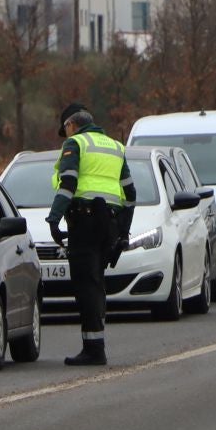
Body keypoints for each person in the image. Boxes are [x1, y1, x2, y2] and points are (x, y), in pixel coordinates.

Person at [45, 101, 136, 366]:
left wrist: (54, 218)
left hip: (84, 222)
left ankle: (94, 349)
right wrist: (123, 231)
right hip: (109, 223)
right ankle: (96, 345)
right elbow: (130, 194)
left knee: (86, 284)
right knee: (97, 284)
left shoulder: (75, 144)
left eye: (67, 130)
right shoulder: (116, 147)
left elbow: (68, 183)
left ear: (70, 125)